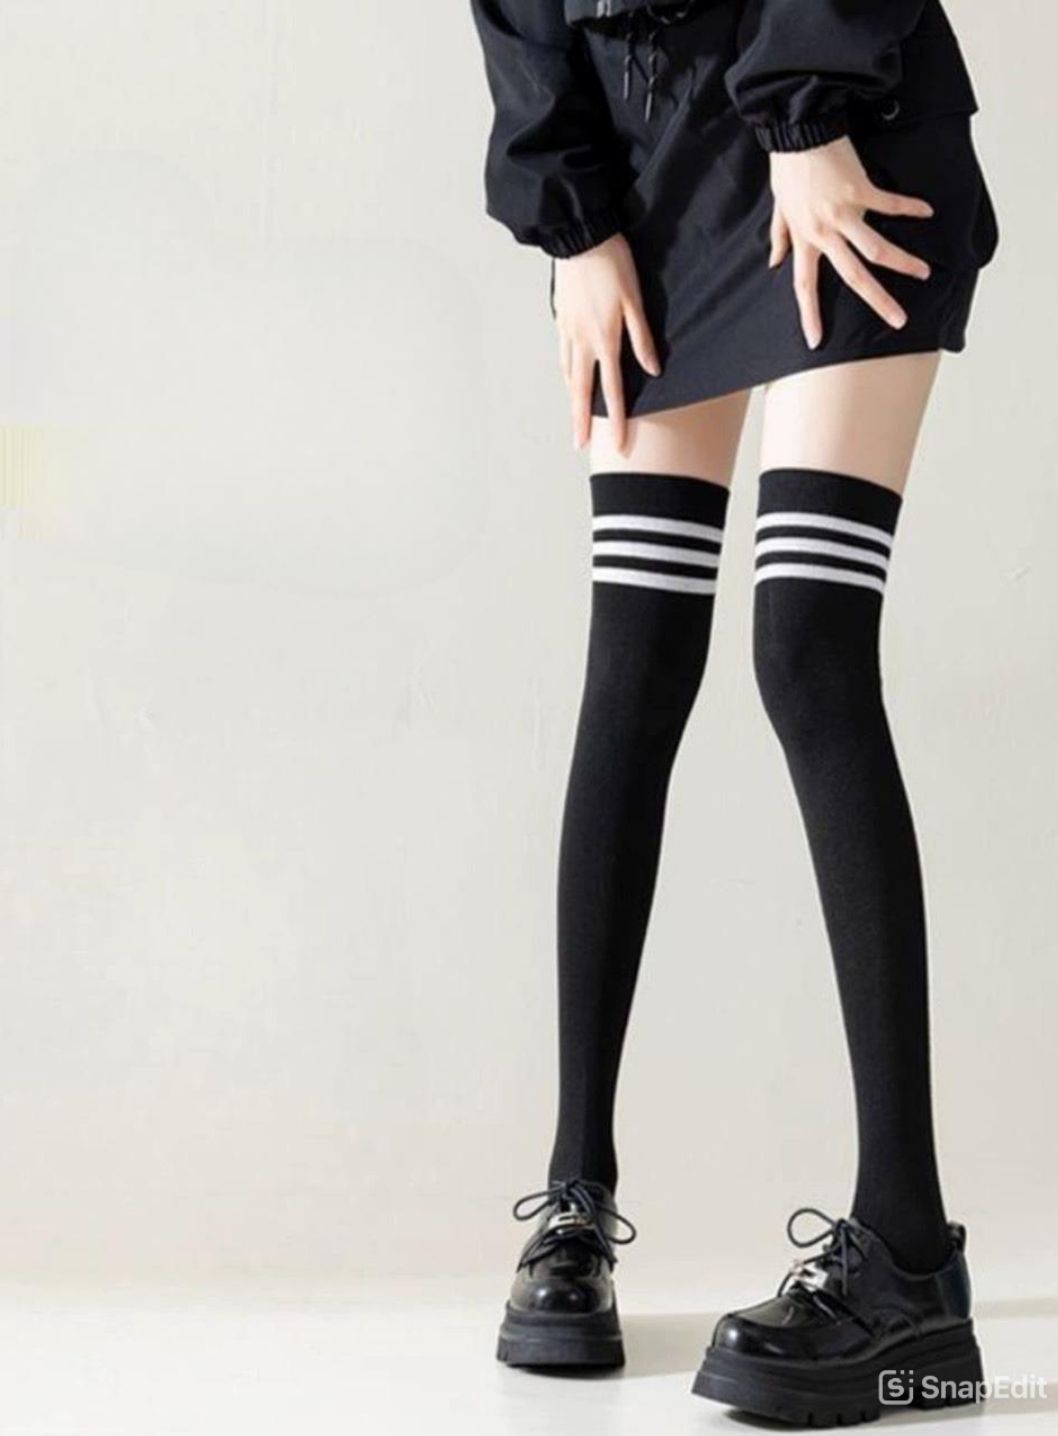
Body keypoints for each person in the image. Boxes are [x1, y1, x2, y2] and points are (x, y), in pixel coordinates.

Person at [469, 0, 998, 1423]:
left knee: (807, 650)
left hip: (841, 125)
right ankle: (573, 1199)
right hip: (648, 167)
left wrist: (809, 112)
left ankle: (907, 1258)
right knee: (635, 662)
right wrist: (575, 219)